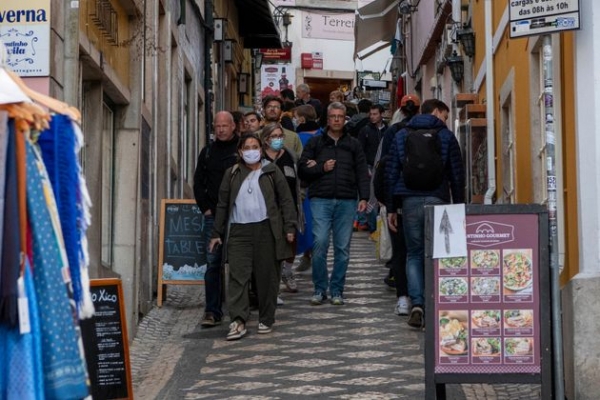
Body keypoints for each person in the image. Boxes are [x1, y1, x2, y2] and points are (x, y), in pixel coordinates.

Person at [385, 99, 465, 328]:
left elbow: (391, 172)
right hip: (437, 198)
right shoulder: (446, 136)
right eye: (445, 115)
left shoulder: (402, 134)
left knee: (414, 253)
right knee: (440, 252)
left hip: (409, 200)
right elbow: (456, 174)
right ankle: (438, 303)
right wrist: (458, 206)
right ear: (438, 111)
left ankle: (417, 302)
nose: (445, 119)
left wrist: (391, 207)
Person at [209, 133, 297, 340]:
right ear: (240, 151)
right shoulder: (232, 173)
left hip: (266, 229)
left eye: (254, 146)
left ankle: (266, 318)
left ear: (261, 148)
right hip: (239, 231)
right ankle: (238, 320)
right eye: (246, 147)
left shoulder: (271, 171)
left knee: (267, 277)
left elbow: (286, 200)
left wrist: (289, 228)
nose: (251, 151)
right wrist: (216, 233)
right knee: (238, 277)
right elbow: (222, 205)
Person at [298, 102, 370, 306]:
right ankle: (320, 288)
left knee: (342, 248)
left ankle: (337, 289)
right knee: (320, 243)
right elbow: (302, 169)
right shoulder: (315, 142)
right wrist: (321, 167)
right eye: (333, 116)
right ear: (327, 119)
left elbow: (361, 172)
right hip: (320, 199)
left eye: (340, 116)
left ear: (344, 118)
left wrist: (363, 197)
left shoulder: (354, 144)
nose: (337, 119)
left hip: (347, 200)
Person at [371, 94, 420, 316]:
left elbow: (384, 166)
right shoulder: (434, 130)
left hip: (399, 202)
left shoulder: (394, 131)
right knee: (420, 251)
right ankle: (422, 296)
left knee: (401, 252)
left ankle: (403, 298)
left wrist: (384, 202)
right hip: (428, 201)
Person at [193, 111, 239, 327]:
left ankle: (240, 309)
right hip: (214, 216)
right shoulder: (208, 152)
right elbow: (198, 183)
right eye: (217, 126)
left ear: (233, 126)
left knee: (240, 262)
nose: (220, 129)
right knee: (213, 263)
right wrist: (206, 210)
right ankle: (212, 310)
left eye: (224, 125)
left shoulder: (243, 149)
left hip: (240, 215)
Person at [260, 123, 302, 293]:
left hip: (289, 205)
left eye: (280, 136)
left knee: (290, 241)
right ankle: (272, 286)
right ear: (265, 139)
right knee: (270, 247)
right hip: (267, 208)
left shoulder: (290, 156)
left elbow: (298, 178)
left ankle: (287, 271)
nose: (278, 140)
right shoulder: (260, 158)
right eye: (274, 137)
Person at [293, 105, 323, 272]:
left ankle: (308, 254)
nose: (295, 119)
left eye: (296, 116)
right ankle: (312, 255)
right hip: (317, 183)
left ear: (302, 119)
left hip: (305, 184)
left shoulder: (297, 137)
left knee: (306, 221)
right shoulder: (322, 134)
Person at [357, 104, 388, 234]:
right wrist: (365, 167)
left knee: (381, 194)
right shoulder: (365, 130)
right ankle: (371, 224)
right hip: (370, 166)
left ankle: (379, 222)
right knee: (370, 195)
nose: (372, 117)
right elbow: (360, 150)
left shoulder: (388, 129)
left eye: (375, 114)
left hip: (384, 166)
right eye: (371, 114)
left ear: (381, 114)